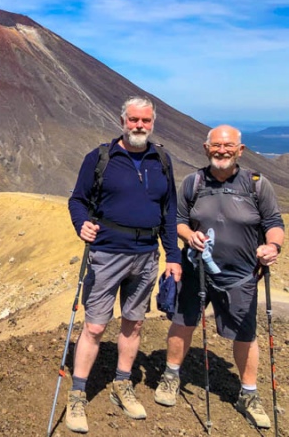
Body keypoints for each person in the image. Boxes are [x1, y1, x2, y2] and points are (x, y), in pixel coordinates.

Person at [154, 124, 284, 429]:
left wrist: (272, 245)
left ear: (239, 150)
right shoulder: (193, 182)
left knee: (245, 333)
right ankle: (171, 376)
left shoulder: (256, 184)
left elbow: (273, 221)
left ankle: (249, 394)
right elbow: (179, 220)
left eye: (228, 146)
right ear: (206, 148)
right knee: (183, 322)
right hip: (195, 271)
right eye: (216, 146)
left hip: (240, 276)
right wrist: (189, 236)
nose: (221, 151)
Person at [66, 96, 182, 433]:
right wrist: (81, 223)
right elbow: (78, 199)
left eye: (145, 121)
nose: (139, 126)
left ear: (153, 123)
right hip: (107, 253)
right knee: (95, 326)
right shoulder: (101, 157)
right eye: (133, 120)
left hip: (146, 255)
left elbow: (169, 212)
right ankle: (77, 393)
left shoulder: (162, 159)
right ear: (122, 121)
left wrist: (173, 256)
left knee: (134, 323)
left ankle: (122, 383)